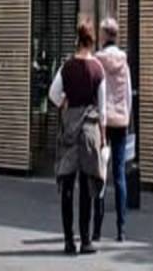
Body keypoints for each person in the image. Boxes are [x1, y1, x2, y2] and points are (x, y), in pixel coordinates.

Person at [47, 21, 108, 256]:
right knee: (87, 186)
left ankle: (67, 241)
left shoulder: (67, 67)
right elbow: (102, 108)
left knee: (67, 183)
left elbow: (53, 94)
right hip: (90, 131)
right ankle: (85, 240)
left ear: (77, 40)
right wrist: (103, 135)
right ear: (92, 42)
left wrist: (64, 101)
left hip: (69, 127)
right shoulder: (97, 69)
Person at [93, 18, 133, 244]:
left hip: (103, 122)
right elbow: (127, 94)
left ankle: (97, 229)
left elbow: (97, 90)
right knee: (119, 176)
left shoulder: (98, 62)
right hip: (121, 122)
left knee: (100, 174)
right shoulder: (124, 63)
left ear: (104, 35)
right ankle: (121, 229)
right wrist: (126, 116)